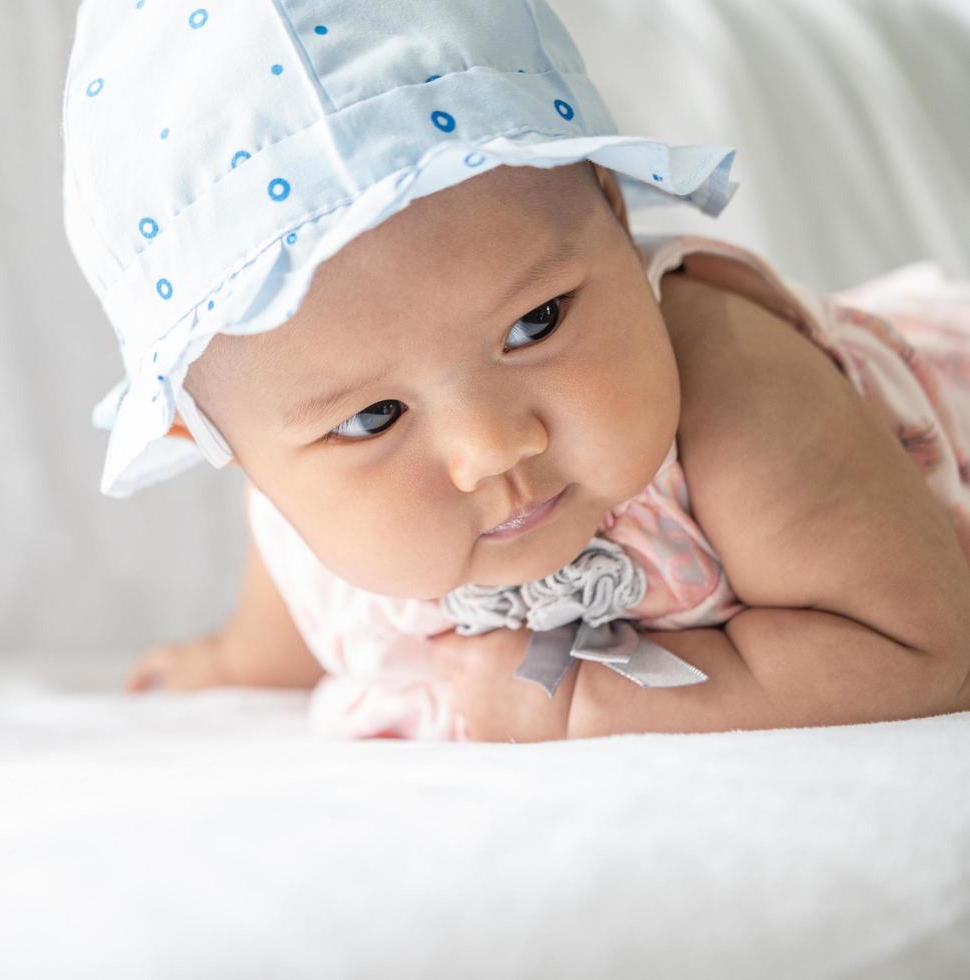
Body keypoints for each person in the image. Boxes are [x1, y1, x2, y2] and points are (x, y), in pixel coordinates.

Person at [60, 0, 970, 741]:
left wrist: (587, 704)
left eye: (535, 324)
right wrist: (233, 661)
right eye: (374, 419)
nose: (492, 447)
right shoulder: (303, 516)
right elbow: (298, 607)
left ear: (615, 218)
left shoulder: (738, 390)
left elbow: (923, 649)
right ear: (228, 447)